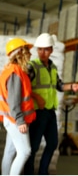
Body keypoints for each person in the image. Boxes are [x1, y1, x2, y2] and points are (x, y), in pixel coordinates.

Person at [23, 33, 78, 175]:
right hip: (37, 112)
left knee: (53, 143)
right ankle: (28, 173)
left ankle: (43, 172)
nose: (43, 53)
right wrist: (37, 97)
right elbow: (23, 88)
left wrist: (71, 86)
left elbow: (59, 85)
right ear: (37, 50)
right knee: (34, 146)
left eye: (46, 49)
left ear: (51, 50)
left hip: (50, 112)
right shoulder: (32, 66)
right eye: (40, 49)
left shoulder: (52, 67)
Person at [0, 38, 36, 175]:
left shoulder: (13, 70)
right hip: (16, 120)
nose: (30, 54)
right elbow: (14, 102)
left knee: (10, 150)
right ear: (20, 52)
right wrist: (20, 121)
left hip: (11, 118)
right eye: (27, 50)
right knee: (25, 152)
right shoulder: (15, 73)